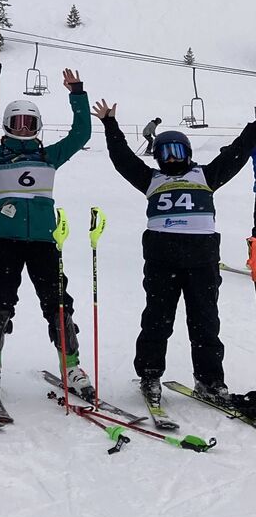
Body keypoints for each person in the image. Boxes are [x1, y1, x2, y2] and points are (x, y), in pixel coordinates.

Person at [93, 102, 256, 405]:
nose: (171, 158)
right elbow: (123, 160)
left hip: (202, 262)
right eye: (164, 153)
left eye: (177, 152)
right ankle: (150, 374)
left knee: (205, 322)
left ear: (188, 154)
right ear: (156, 157)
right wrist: (111, 126)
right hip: (161, 260)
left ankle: (209, 381)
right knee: (157, 320)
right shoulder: (151, 180)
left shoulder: (207, 176)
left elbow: (238, 151)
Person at [0, 62, 93, 399]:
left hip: (45, 243)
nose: (22, 129)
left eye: (28, 123)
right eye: (16, 123)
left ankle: (72, 365)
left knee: (59, 304)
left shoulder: (50, 156)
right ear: (6, 126)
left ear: (37, 127)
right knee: (1, 304)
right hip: (5, 241)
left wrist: (77, 95)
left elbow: (81, 135)